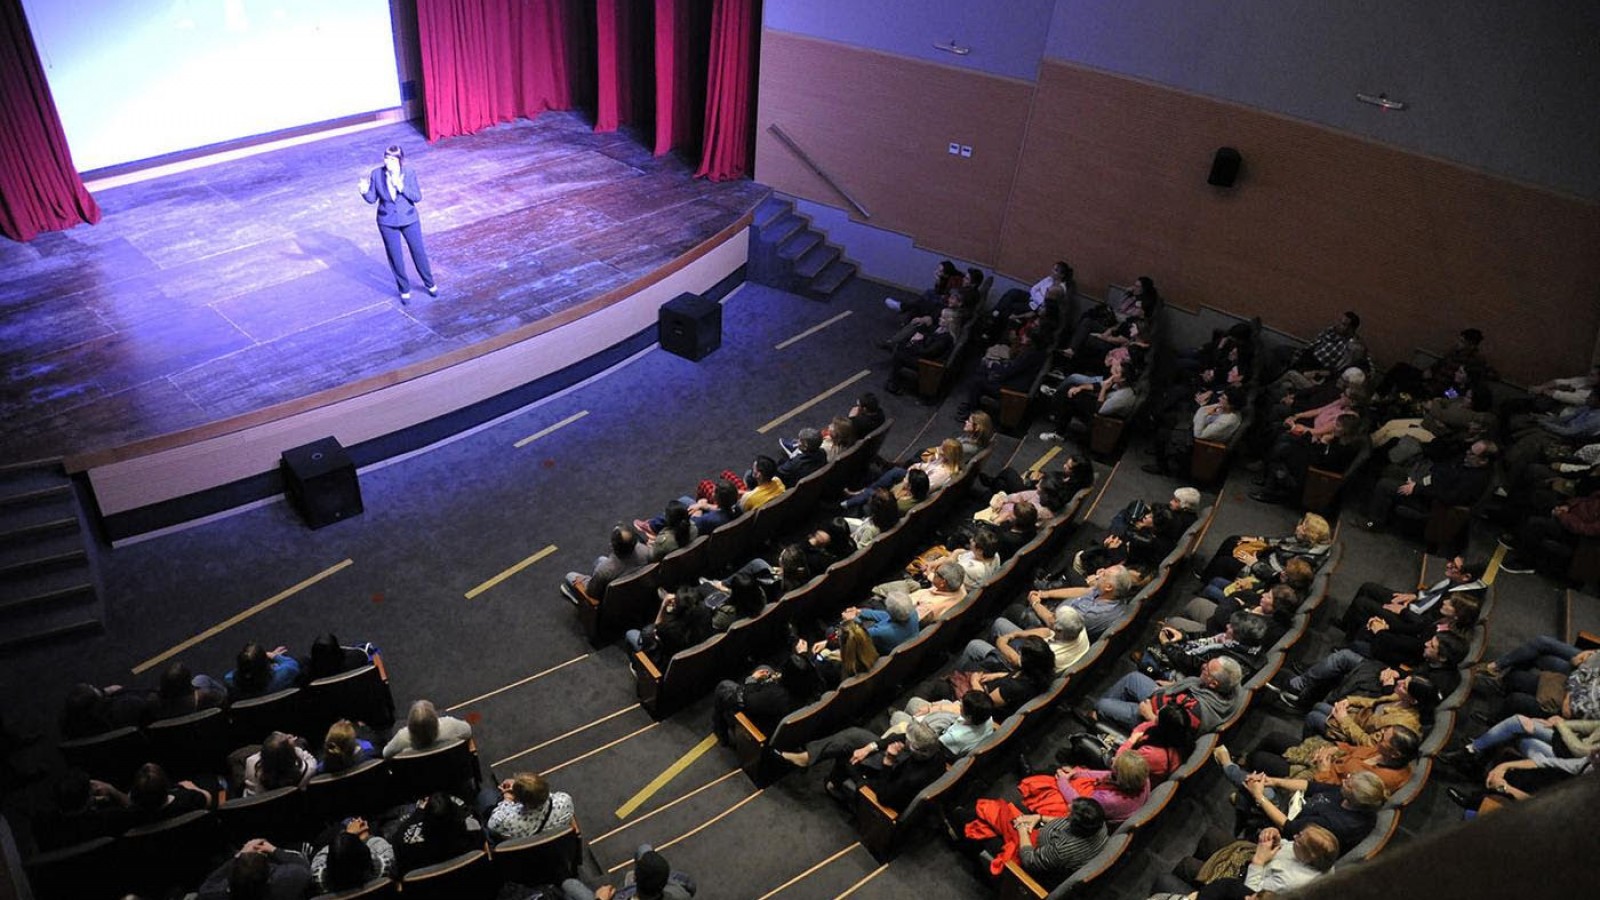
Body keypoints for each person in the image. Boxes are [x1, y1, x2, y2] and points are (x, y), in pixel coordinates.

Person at [359, 144, 436, 303]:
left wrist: (400, 185)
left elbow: (416, 196)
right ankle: (404, 289)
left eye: (393, 159)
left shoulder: (408, 173)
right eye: (387, 158)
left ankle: (429, 284)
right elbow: (372, 199)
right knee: (395, 256)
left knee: (418, 251)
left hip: (409, 219)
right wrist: (365, 192)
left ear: (400, 160)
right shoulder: (376, 174)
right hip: (387, 220)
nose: (389, 162)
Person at [562, 845, 695, 900]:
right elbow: (691, 886)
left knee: (569, 884)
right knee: (644, 849)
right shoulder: (679, 891)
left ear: (634, 878)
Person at [196, 839, 313, 900]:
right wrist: (272, 849)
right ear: (269, 876)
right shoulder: (291, 879)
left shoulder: (212, 894)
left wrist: (239, 855)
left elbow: (208, 884)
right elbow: (304, 866)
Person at [484, 771, 575, 843]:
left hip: (524, 851)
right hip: (555, 844)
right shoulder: (564, 800)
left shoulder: (507, 821)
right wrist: (521, 786)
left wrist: (507, 798)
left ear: (518, 800)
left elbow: (491, 826)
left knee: (486, 796)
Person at [310, 825, 395, 893]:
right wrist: (364, 837)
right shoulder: (386, 865)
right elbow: (377, 845)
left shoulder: (318, 879)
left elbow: (322, 856)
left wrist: (346, 834)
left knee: (337, 828)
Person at [383, 699, 473, 757]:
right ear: (436, 720)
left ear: (409, 725)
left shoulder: (402, 738)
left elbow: (385, 754)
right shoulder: (450, 726)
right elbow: (468, 731)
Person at [225, 642, 301, 702]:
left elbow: (239, 673)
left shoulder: (230, 681)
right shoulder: (284, 673)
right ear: (266, 663)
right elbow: (292, 664)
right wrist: (273, 656)